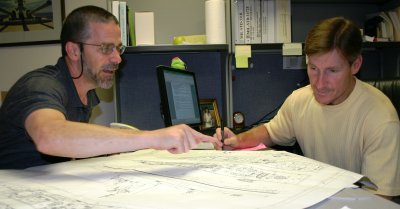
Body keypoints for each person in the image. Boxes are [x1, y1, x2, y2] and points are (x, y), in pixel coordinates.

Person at [0, 6, 220, 169]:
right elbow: (50, 136)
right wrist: (152, 137)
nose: (117, 59)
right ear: (74, 51)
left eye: (118, 48)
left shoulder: (86, 95)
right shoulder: (41, 85)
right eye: (106, 48)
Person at [215, 17, 400, 199]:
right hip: (315, 198)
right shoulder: (300, 99)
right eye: (313, 68)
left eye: (332, 71)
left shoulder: (381, 118)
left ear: (355, 65)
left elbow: (380, 199)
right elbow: (271, 132)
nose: (319, 84)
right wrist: (238, 140)